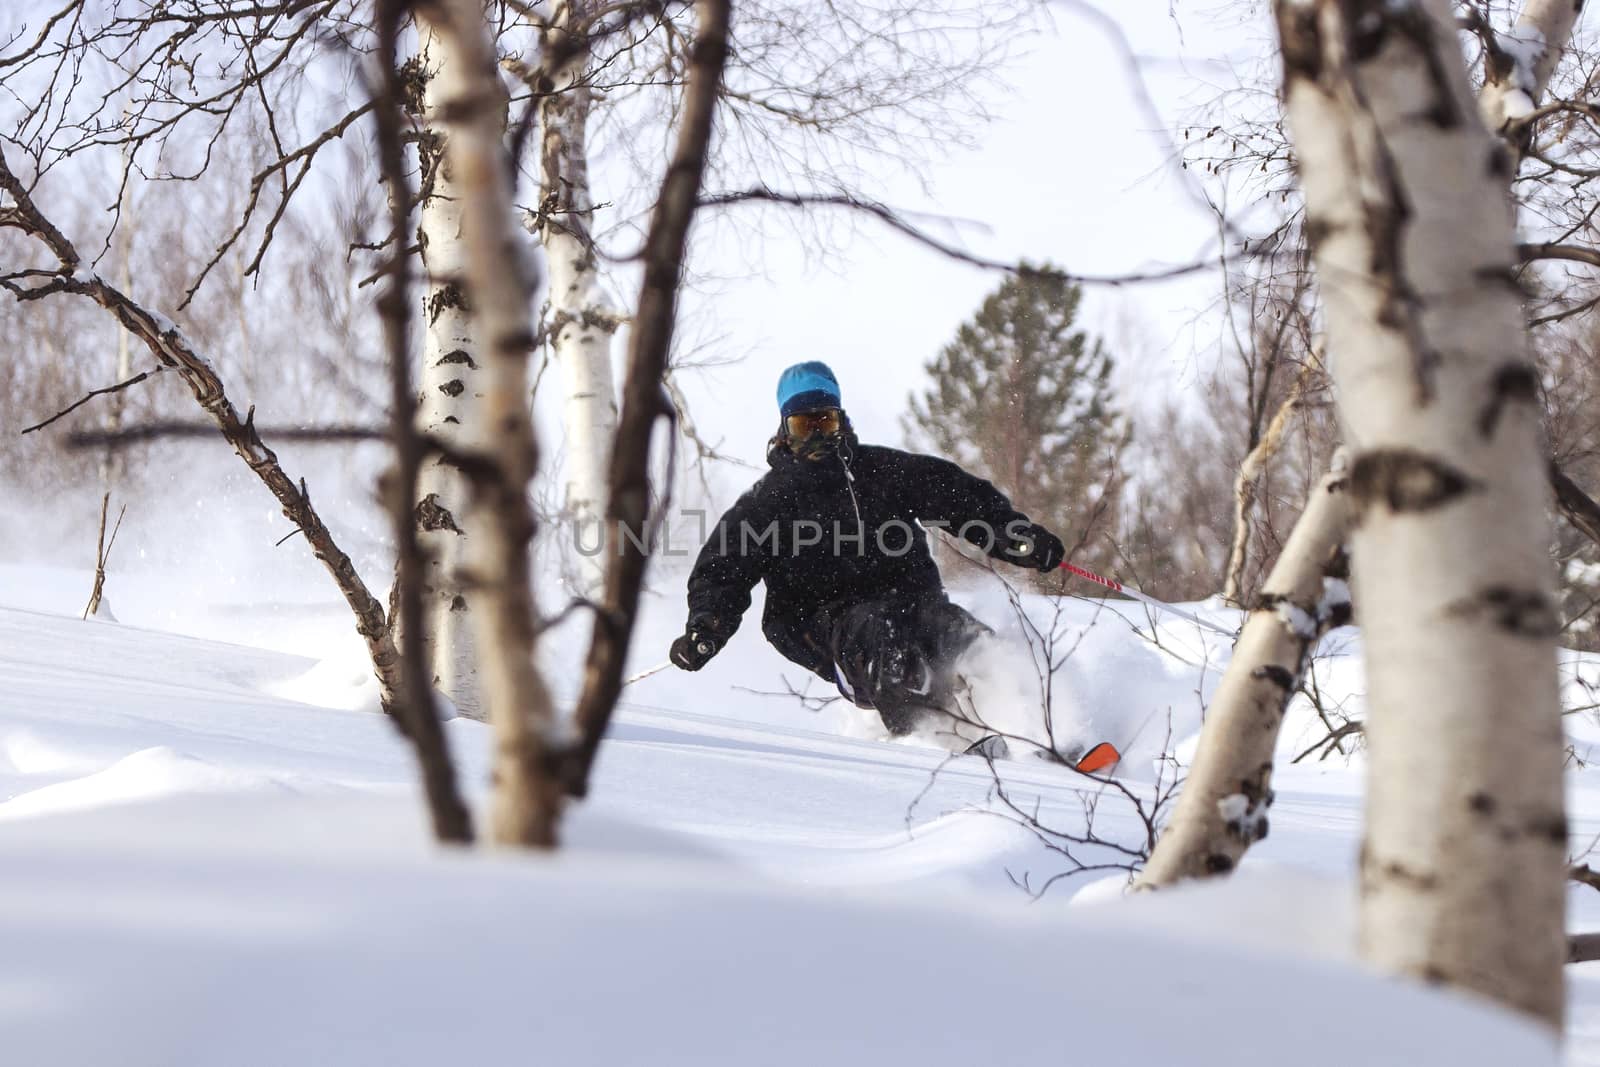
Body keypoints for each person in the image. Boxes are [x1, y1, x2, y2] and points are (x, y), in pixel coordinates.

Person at [670, 361, 1066, 747]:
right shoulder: (769, 502)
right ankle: (931, 738)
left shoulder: (881, 471)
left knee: (958, 631)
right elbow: (724, 569)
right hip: (824, 622)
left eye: (825, 422)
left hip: (912, 600)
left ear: (840, 420)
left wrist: (1014, 535)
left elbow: (956, 497)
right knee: (881, 635)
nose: (817, 436)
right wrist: (707, 627)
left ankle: (1035, 730)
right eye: (803, 426)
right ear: (784, 431)